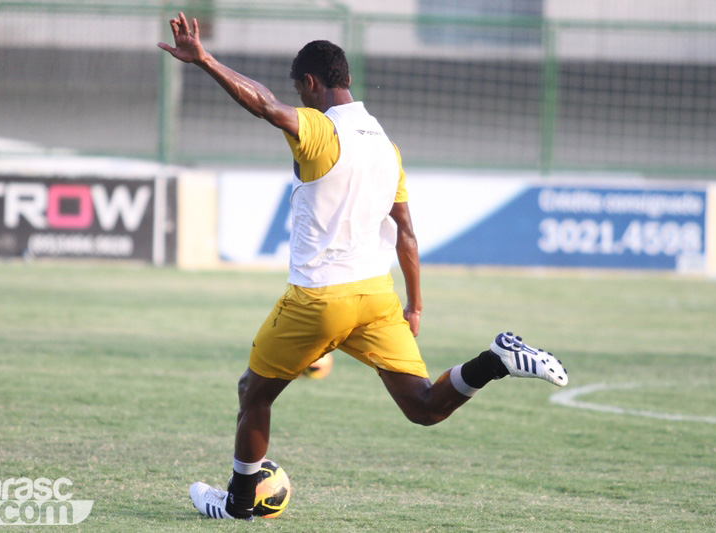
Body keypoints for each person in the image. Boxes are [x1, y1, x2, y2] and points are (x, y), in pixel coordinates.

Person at [158, 13, 568, 521]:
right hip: (375, 297)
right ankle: (496, 361)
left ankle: (239, 503)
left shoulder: (322, 128)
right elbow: (407, 233)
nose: (300, 100)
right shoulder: (385, 146)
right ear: (348, 77)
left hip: (318, 298)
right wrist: (416, 306)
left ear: (311, 83)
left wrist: (205, 61)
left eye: (301, 91)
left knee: (253, 393)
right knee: (424, 406)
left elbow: (262, 103)